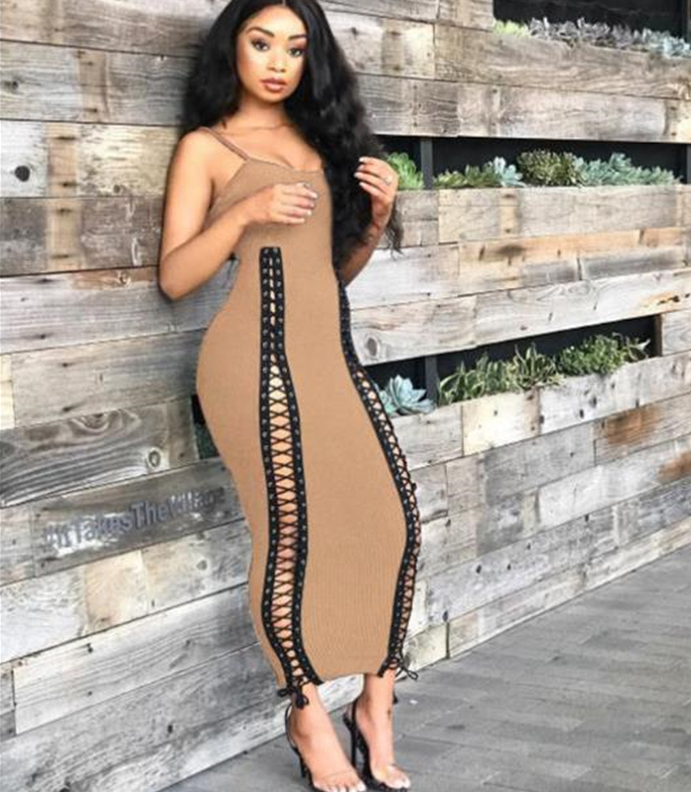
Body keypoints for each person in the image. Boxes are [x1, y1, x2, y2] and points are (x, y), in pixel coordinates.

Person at [158, 2, 422, 790]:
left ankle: (375, 704)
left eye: (296, 48)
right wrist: (245, 210)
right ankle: (306, 715)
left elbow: (327, 277)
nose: (277, 62)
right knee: (289, 532)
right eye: (261, 42)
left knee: (395, 520)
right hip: (249, 361)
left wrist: (374, 219)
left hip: (326, 356)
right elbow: (175, 277)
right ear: (231, 48)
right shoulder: (206, 148)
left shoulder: (322, 140)